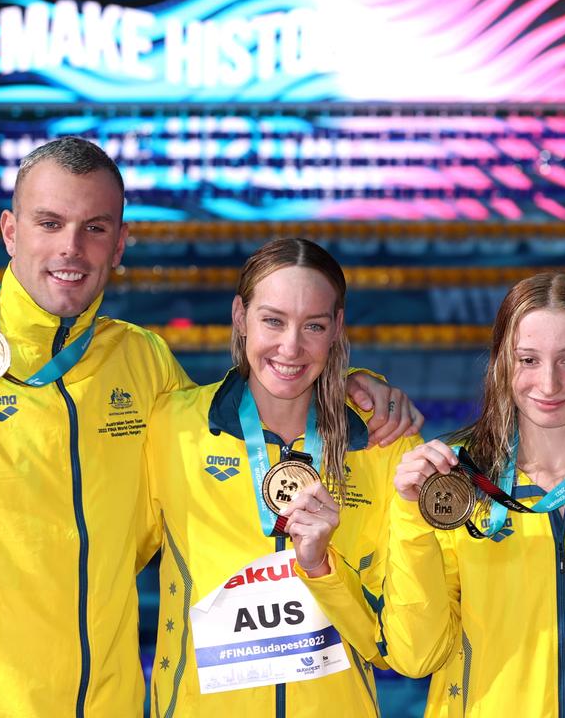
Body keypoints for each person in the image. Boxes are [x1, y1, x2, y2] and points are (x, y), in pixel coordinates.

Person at [0, 138, 421, 717]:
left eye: (94, 228)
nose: (71, 248)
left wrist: (345, 383)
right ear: (10, 231)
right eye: (49, 223)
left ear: (119, 244)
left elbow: (248, 420)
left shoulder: (142, 363)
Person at [380, 272, 565, 718]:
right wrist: (411, 517)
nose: (548, 385)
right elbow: (414, 655)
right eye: (528, 360)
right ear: (504, 362)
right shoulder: (452, 485)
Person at [141, 238, 419, 717]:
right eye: (273, 320)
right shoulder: (173, 425)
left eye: (313, 325)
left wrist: (325, 572)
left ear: (337, 329)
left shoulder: (382, 444)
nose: (291, 347)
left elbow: (398, 642)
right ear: (239, 316)